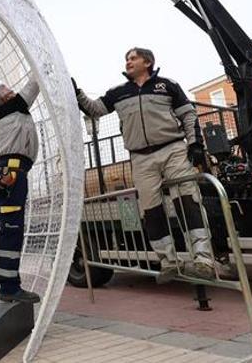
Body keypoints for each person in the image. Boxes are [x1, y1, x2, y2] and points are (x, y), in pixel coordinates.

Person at [72, 47, 214, 283]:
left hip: (173, 150)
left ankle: (203, 259)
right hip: (140, 157)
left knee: (187, 200)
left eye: (133, 58)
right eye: (126, 58)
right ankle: (168, 261)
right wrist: (76, 92)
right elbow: (94, 109)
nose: (128, 61)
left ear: (147, 62)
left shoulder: (167, 86)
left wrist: (195, 144)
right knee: (151, 209)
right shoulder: (118, 93)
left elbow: (188, 114)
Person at [0, 74, 42, 304]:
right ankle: (9, 287)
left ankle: (10, 285)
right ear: (4, 100)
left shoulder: (12, 112)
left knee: (12, 230)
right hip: (11, 173)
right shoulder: (12, 108)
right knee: (11, 231)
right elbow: (34, 84)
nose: (13, 94)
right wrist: (42, 64)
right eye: (9, 93)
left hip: (12, 173)